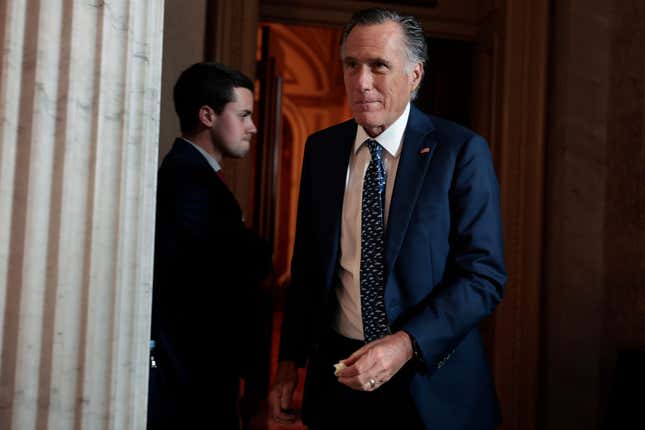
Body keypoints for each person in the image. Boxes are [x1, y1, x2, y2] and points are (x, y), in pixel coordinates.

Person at [269, 8, 506, 430]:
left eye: (379, 66)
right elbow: (308, 266)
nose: (361, 83)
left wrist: (405, 344)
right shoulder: (322, 150)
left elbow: (483, 277)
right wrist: (289, 360)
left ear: (415, 75)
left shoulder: (460, 152)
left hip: (430, 385)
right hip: (340, 380)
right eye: (351, 64)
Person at [148, 62, 272, 430]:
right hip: (188, 381)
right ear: (207, 115)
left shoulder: (196, 176)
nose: (252, 126)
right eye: (244, 114)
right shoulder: (185, 181)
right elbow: (233, 274)